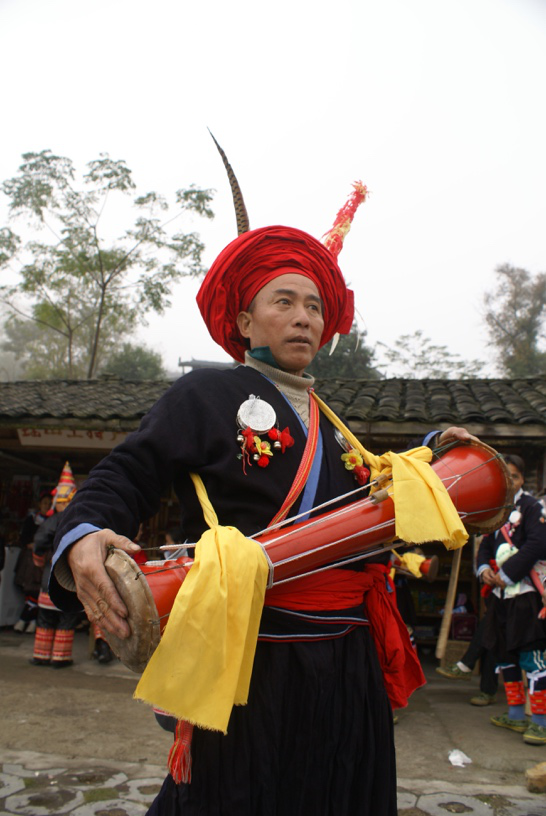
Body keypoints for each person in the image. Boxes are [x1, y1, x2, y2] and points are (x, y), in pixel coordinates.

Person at [49, 159, 476, 815]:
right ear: (245, 323)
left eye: (314, 306)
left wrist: (434, 456)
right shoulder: (206, 395)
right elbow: (128, 472)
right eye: (284, 302)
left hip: (347, 663)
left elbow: (377, 506)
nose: (304, 317)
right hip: (252, 658)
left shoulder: (338, 429)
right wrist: (83, 531)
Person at [477, 454, 546, 746]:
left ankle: (540, 722)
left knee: (532, 656)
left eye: (514, 476)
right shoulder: (495, 509)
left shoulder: (532, 508)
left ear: (522, 479)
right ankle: (516, 715)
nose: (509, 480)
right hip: (500, 595)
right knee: (505, 656)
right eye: (504, 475)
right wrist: (483, 570)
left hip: (525, 595)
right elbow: (485, 545)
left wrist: (506, 574)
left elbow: (538, 544)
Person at [30, 463, 82, 668]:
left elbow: (39, 542)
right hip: (72, 574)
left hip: (50, 575)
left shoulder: (52, 521)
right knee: (66, 618)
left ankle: (41, 655)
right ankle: (60, 657)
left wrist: (38, 559)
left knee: (46, 618)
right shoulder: (80, 520)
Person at [13, 491, 52, 634]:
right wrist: (31, 544)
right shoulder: (32, 519)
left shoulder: (53, 520)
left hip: (44, 558)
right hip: (29, 558)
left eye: (49, 504)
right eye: (44, 503)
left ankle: (24, 619)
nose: (47, 506)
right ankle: (32, 620)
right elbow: (24, 538)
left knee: (37, 589)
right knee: (28, 588)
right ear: (39, 504)